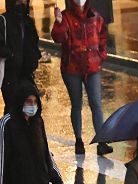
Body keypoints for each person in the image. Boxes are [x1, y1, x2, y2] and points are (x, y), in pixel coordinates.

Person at [51, 0, 113, 156]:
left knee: (96, 104)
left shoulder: (96, 16)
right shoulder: (65, 17)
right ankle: (79, 140)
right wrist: (58, 23)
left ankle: (101, 141)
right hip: (72, 69)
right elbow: (58, 38)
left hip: (92, 68)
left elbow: (103, 37)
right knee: (76, 104)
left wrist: (101, 56)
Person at [0, 0, 41, 113]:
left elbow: (34, 44)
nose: (22, 3)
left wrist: (34, 59)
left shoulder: (28, 21)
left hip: (27, 74)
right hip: (9, 75)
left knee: (28, 106)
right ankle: (8, 130)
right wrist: (10, 54)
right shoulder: (4, 20)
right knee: (12, 107)